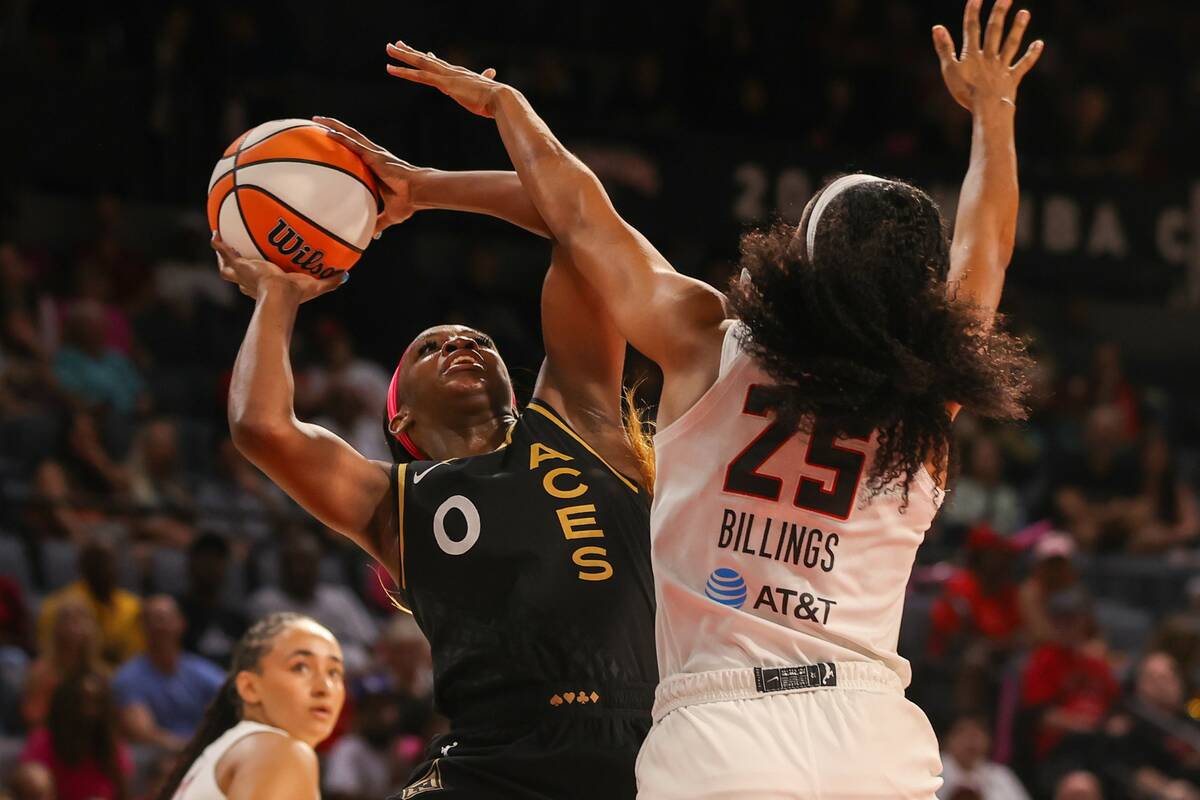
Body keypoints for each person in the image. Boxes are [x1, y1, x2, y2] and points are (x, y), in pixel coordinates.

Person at [379, 0, 1040, 794]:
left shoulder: (706, 344)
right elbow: (986, 248)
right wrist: (994, 113)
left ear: (802, 265)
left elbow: (583, 216)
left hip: (721, 730)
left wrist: (505, 108)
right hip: (871, 734)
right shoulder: (927, 400)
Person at [211, 121, 658, 795]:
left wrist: (423, 189)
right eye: (430, 347)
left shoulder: (580, 420)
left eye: (478, 340)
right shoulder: (394, 500)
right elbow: (261, 427)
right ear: (401, 417)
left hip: (650, 744)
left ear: (513, 384)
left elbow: (575, 220)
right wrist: (277, 294)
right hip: (494, 758)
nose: (460, 346)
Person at [154, 612, 344, 800]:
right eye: (300, 667)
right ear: (249, 687)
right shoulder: (278, 751)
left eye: (334, 672)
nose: (324, 687)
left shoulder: (233, 748)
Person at [112, 595, 224, 750]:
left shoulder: (202, 670)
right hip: (156, 757)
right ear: (142, 627)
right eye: (152, 620)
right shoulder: (128, 677)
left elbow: (231, 706)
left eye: (165, 619)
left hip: (202, 752)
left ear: (181, 623)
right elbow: (143, 733)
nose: (160, 626)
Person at [19, 671, 133, 800]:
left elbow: (123, 794)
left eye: (96, 702)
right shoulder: (44, 740)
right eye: (81, 702)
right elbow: (30, 784)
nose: (88, 710)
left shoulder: (111, 745)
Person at [37, 538, 144, 666]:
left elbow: (140, 655)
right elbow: (51, 656)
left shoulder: (133, 606)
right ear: (81, 566)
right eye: (96, 561)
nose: (103, 568)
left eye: (108, 561)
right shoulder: (59, 607)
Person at [938, 714, 1030, 800]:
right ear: (947, 739)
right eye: (963, 732)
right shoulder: (932, 772)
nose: (971, 741)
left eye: (976, 734)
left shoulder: (1000, 776)